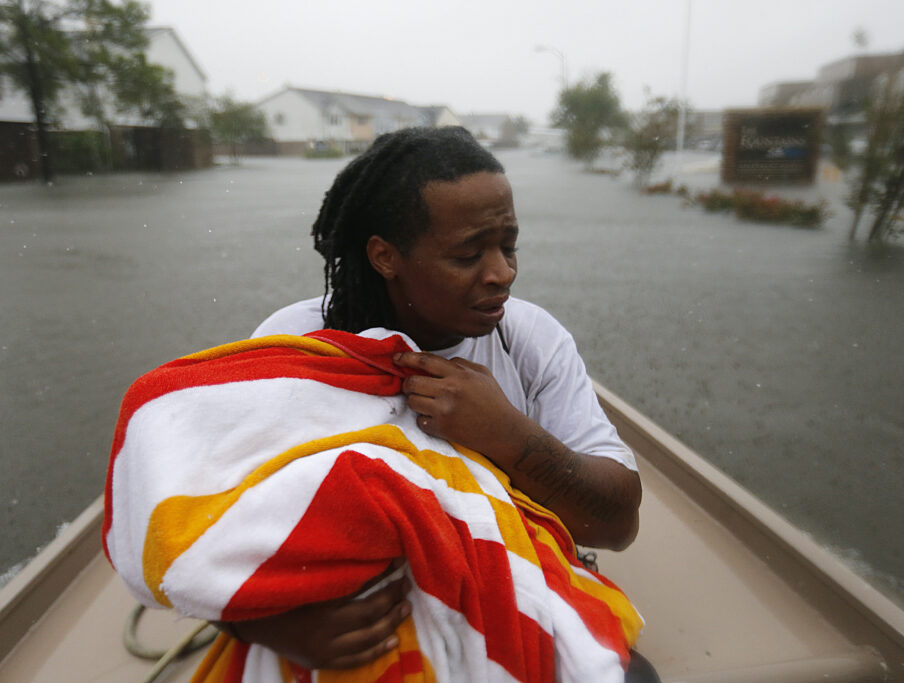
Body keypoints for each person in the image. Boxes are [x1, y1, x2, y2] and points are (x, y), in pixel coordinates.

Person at [231, 126, 653, 679]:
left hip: (510, 586)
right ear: (386, 256)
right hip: (362, 629)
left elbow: (617, 524)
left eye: (509, 244)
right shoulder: (295, 346)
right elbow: (205, 525)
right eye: (468, 253)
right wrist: (272, 628)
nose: (502, 272)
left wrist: (507, 435)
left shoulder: (531, 340)